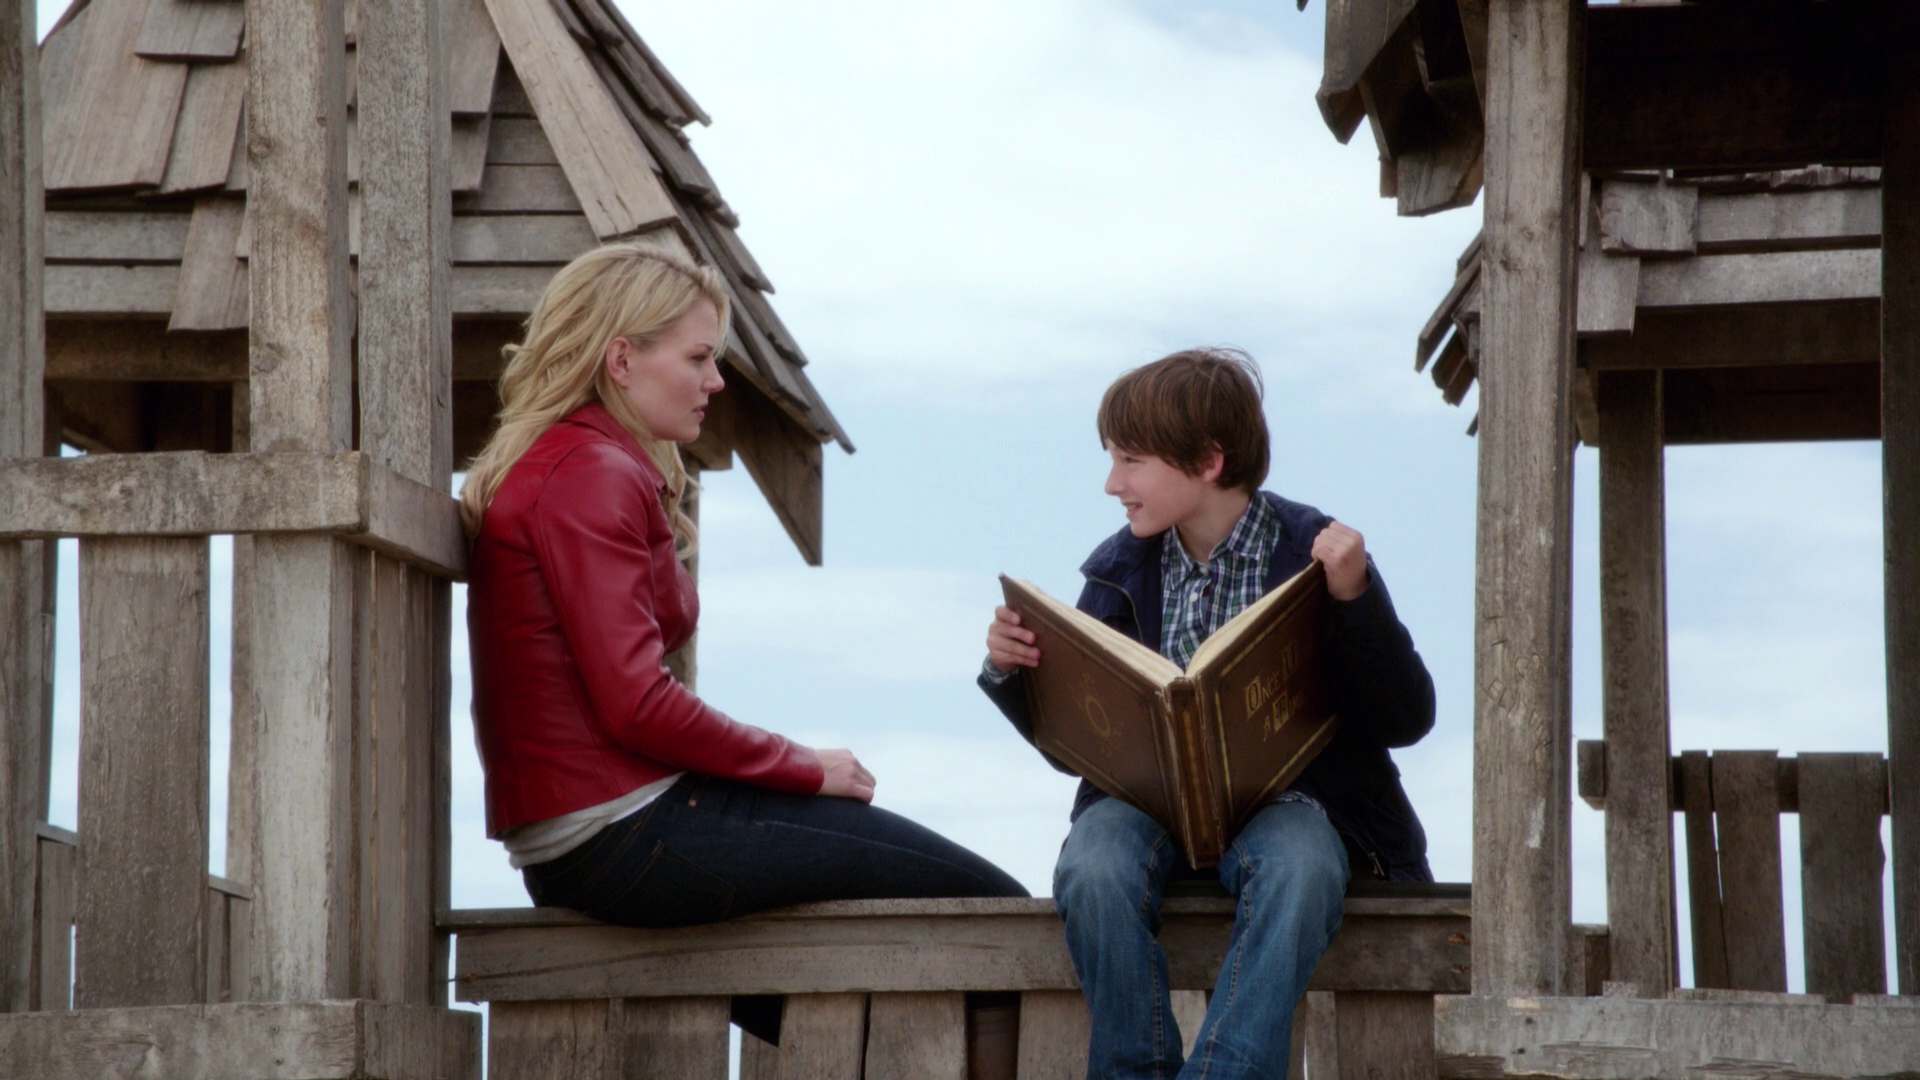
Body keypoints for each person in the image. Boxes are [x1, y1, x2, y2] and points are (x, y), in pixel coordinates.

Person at [463, 242, 1026, 927]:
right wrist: (803, 766)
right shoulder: (589, 474)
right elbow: (635, 705)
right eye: (698, 358)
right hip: (622, 832)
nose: (716, 380)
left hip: (589, 835)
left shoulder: (571, 463)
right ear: (621, 360)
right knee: (993, 906)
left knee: (815, 977)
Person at [979, 348, 1434, 1080]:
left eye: (1131, 461)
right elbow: (1076, 747)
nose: (1112, 484)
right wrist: (1013, 670)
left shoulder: (1320, 556)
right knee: (1092, 867)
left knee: (1303, 868)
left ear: (1209, 461)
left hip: (1295, 801)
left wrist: (1356, 599)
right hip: (1144, 800)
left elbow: (1407, 717)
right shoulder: (1117, 569)